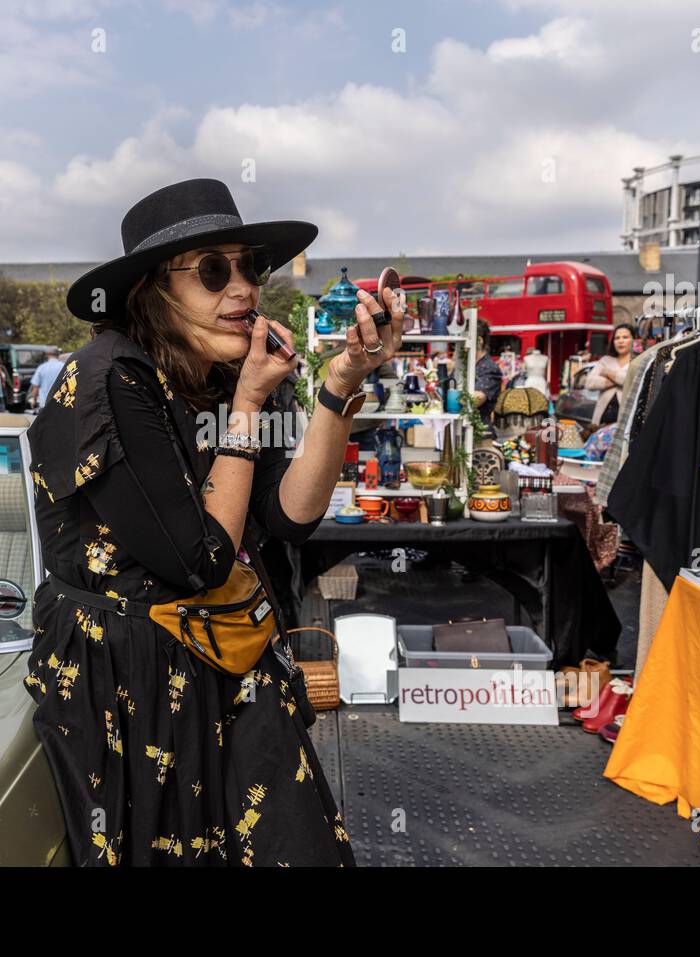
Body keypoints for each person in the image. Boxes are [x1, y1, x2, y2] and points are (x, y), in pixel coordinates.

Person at [25, 178, 400, 866]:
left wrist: (339, 382)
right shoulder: (109, 379)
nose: (243, 288)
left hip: (227, 658)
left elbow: (291, 516)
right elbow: (196, 559)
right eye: (212, 270)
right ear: (153, 289)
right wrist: (248, 411)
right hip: (130, 684)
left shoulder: (240, 373)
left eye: (249, 265)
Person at [586, 323, 636, 425]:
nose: (620, 341)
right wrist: (620, 380)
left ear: (633, 340)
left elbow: (632, 382)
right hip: (602, 419)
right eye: (617, 338)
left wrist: (607, 372)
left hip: (625, 420)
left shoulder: (637, 361)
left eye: (625, 337)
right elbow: (590, 383)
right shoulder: (605, 360)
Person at [470, 319, 502, 419]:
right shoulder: (467, 364)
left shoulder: (490, 368)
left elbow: (476, 399)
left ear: (479, 341)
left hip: (480, 431)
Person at [27, 346, 65, 412]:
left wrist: (34, 400)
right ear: (58, 354)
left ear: (47, 355)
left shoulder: (42, 367)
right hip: (59, 404)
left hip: (44, 404)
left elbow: (35, 386)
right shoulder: (63, 366)